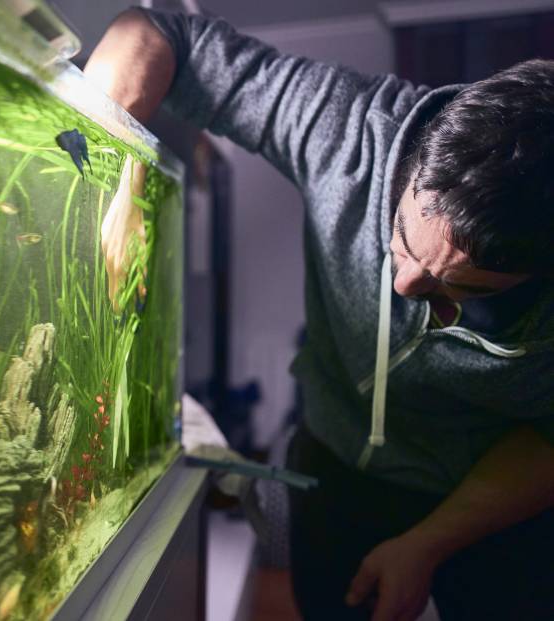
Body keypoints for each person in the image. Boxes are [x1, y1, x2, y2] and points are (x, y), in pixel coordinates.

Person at [85, 8, 554, 621]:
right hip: (333, 465)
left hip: (489, 495)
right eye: (403, 241)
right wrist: (124, 175)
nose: (407, 283)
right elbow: (149, 34)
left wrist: (427, 545)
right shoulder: (349, 127)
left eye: (456, 287)